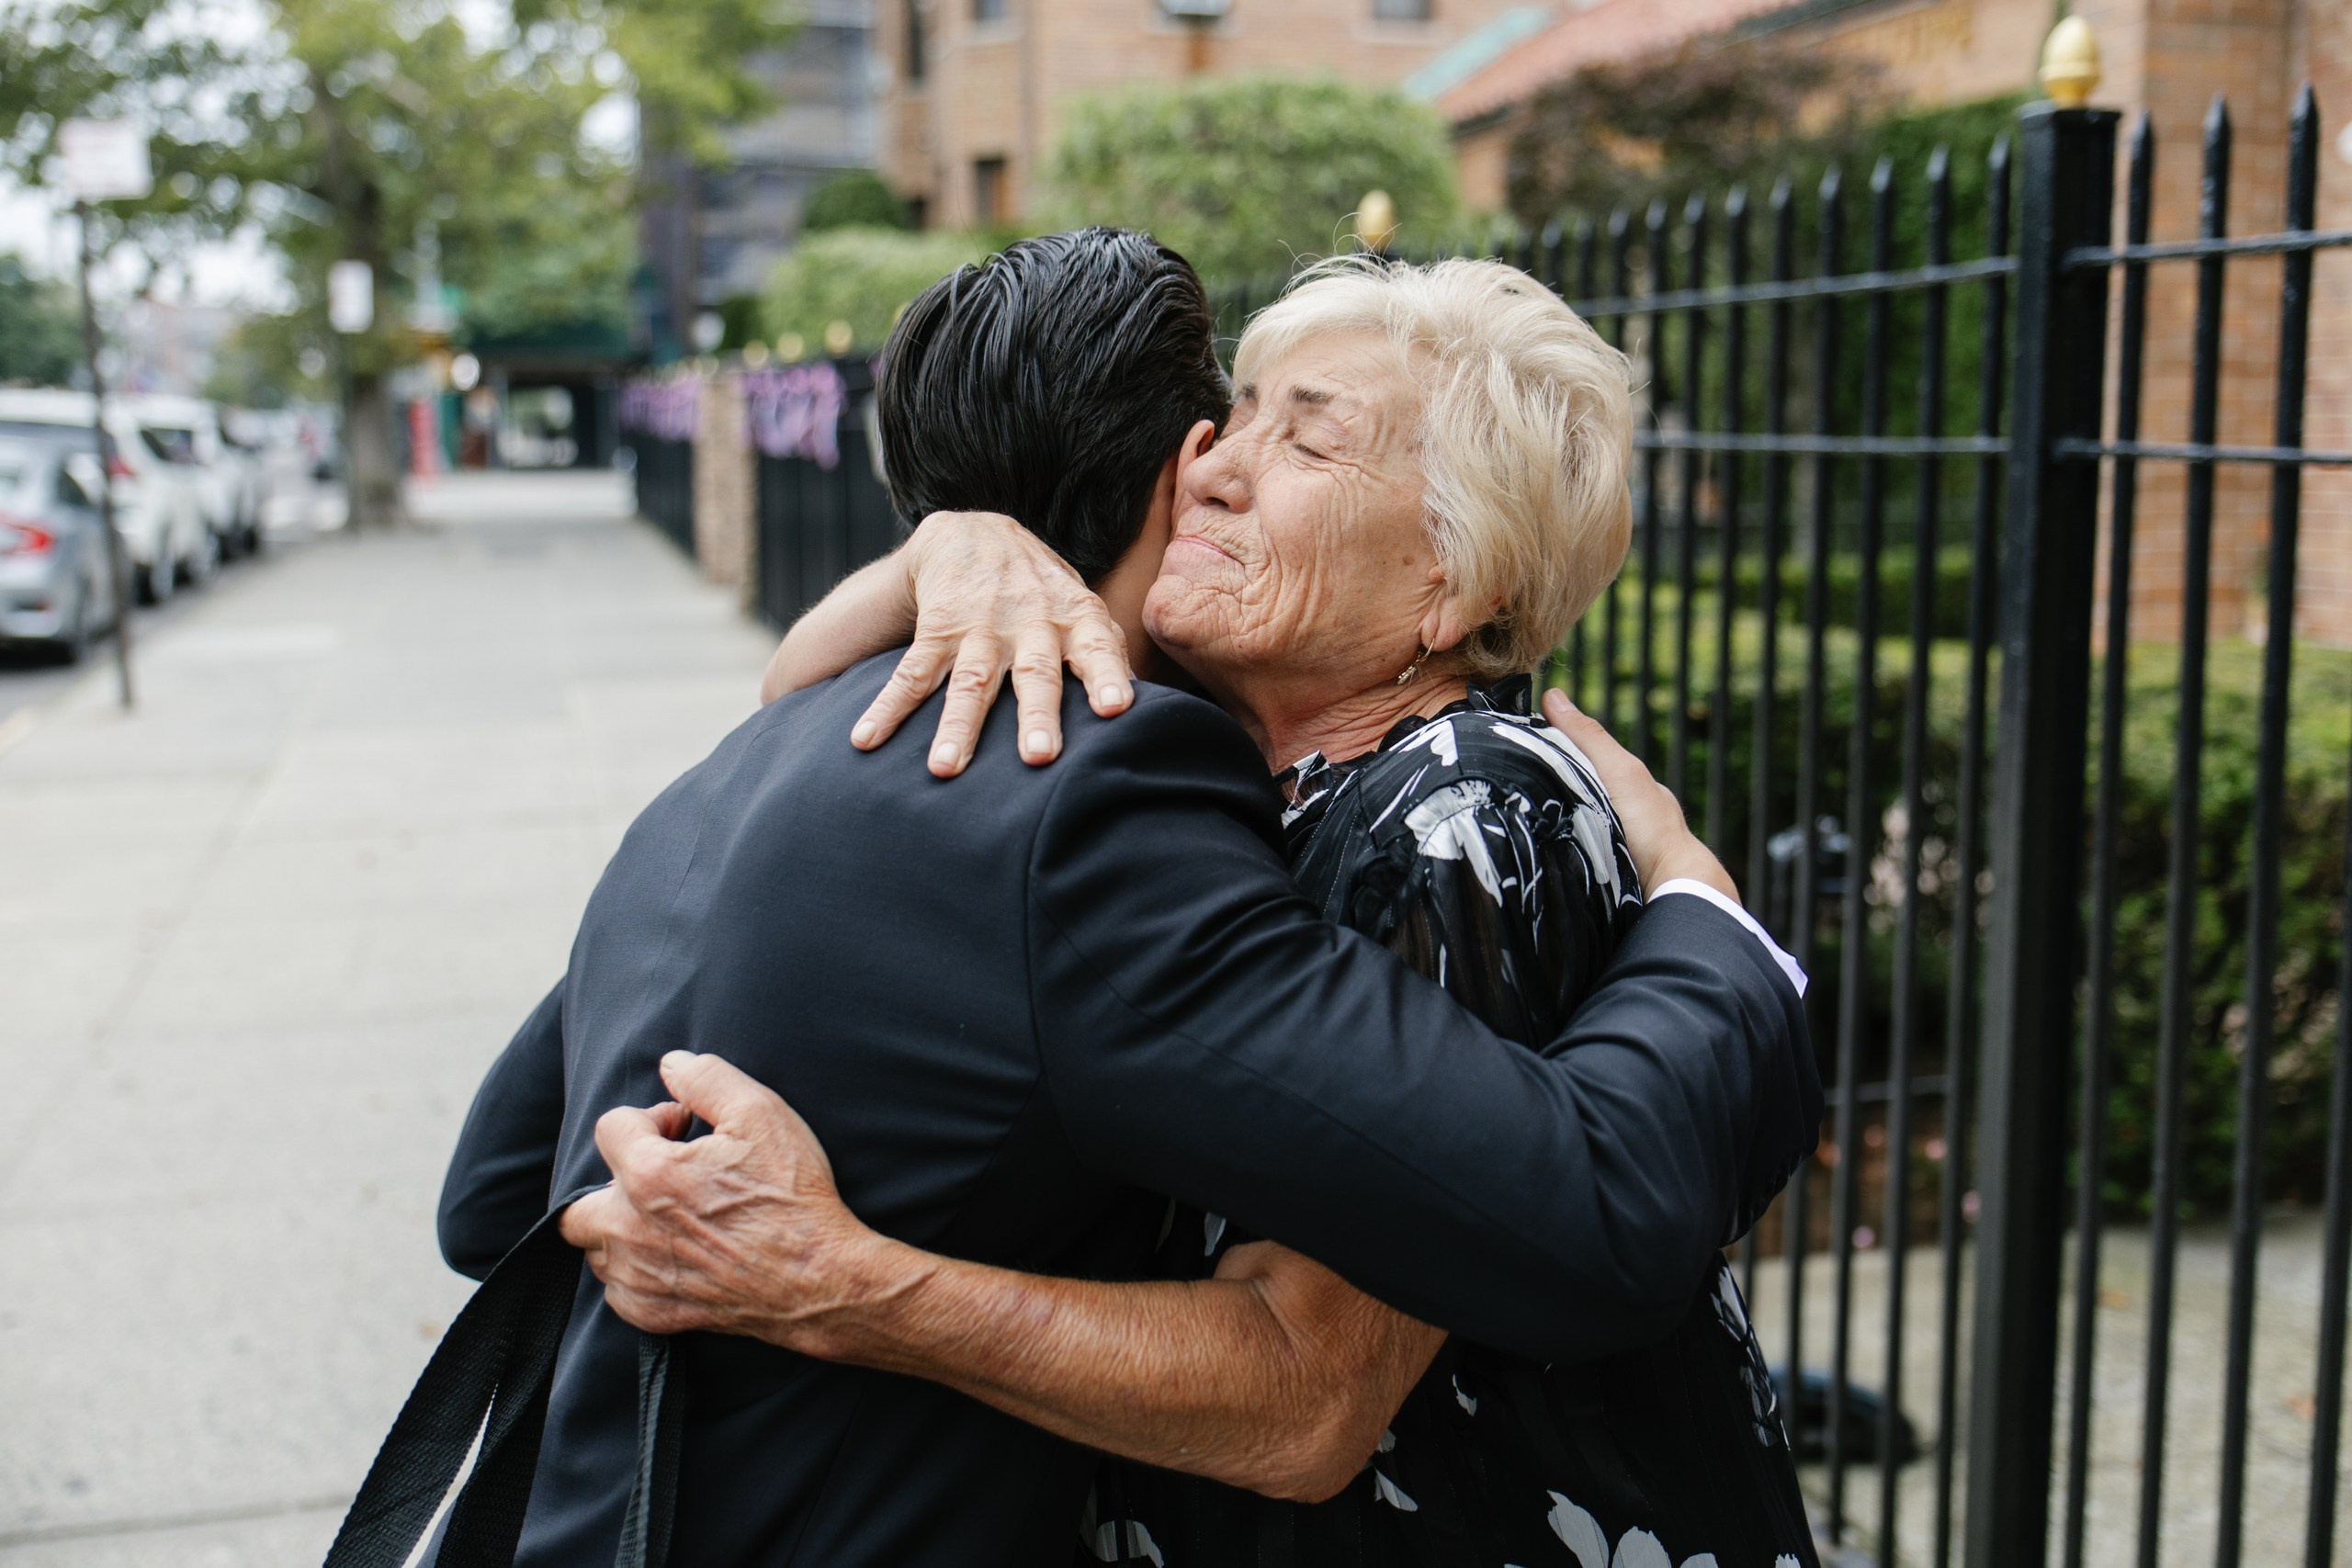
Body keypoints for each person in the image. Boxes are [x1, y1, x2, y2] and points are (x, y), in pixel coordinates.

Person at [439, 229, 1815, 1567]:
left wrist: (1701, 913)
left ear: (1456, 579)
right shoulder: (1110, 793)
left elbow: (494, 1199)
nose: (1219, 468)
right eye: (1230, 421)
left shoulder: (1457, 799)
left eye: (1305, 438)